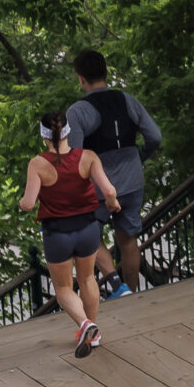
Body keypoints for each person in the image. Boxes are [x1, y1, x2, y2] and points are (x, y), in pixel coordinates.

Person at [20, 110, 124, 356]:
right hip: (88, 229)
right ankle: (93, 333)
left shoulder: (37, 164)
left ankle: (86, 325)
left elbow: (28, 203)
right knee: (88, 279)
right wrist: (113, 204)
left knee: (64, 288)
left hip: (58, 234)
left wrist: (22, 203)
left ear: (43, 136)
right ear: (67, 132)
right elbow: (109, 190)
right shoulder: (88, 157)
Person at [66, 50, 162, 296]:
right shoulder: (128, 100)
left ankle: (116, 286)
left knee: (85, 235)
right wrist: (138, 158)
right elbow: (155, 137)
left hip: (97, 188)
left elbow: (76, 156)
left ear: (81, 79)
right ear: (106, 73)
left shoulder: (77, 111)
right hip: (131, 182)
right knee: (128, 240)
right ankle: (131, 293)